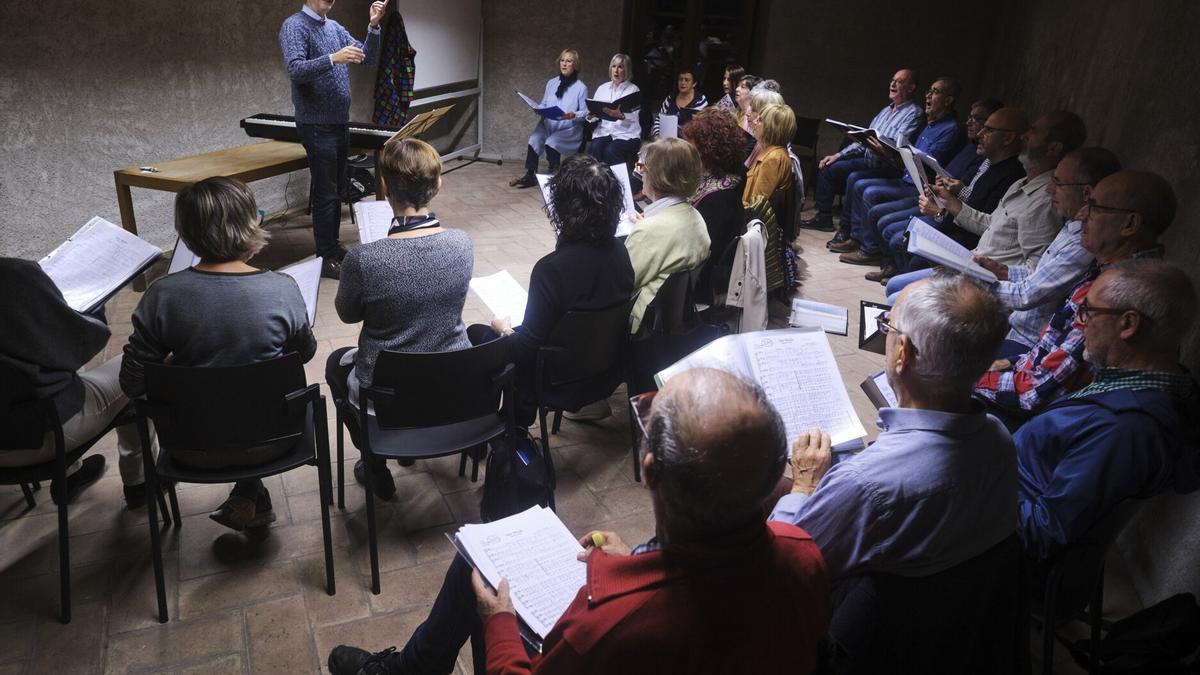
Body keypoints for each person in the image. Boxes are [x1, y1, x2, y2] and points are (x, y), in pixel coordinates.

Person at [327, 368, 832, 675]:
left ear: (650, 473)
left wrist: (501, 624)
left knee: (477, 573)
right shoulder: (803, 555)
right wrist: (636, 558)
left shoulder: (610, 628)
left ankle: (412, 670)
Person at [770, 274, 1016, 579]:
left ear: (903, 353)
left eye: (888, 325)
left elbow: (783, 569)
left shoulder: (864, 485)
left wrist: (804, 486)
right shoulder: (999, 437)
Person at [121, 177, 317, 531]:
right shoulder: (282, 289)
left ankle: (248, 499)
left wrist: (174, 370)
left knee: (224, 403)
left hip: (190, 447)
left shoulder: (161, 296)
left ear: (183, 230)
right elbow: (304, 354)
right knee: (248, 400)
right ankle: (250, 495)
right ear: (250, 224)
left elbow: (132, 382)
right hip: (275, 441)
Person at [1015, 260, 1200, 558]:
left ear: (1128, 324)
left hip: (1001, 528)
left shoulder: (1124, 431)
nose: (1080, 321)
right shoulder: (1146, 385)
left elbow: (1042, 533)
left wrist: (980, 483)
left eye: (1088, 311)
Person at [326, 138, 473, 499]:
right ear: (437, 185)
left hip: (387, 396)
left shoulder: (364, 259)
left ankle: (374, 462)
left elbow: (347, 314)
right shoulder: (463, 243)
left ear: (385, 188)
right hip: (452, 382)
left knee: (334, 365)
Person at [975, 170, 1176, 418]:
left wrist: (967, 378)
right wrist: (1007, 364)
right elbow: (1047, 350)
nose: (1081, 215)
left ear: (1130, 224)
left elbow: (1033, 395)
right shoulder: (1103, 267)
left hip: (1036, 412)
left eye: (1093, 207)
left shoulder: (1117, 291)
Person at [476, 155, 635, 426]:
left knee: (479, 335)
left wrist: (503, 329)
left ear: (562, 207)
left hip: (555, 381)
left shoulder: (551, 270)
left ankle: (498, 428)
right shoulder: (622, 252)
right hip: (603, 373)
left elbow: (526, 348)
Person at [884, 108, 1081, 301]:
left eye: (1034, 131)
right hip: (971, 264)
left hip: (987, 284)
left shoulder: (1045, 200)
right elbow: (990, 223)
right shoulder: (1021, 183)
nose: (1025, 136)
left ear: (1053, 148)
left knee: (897, 297)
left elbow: (1035, 271)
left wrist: (996, 271)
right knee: (895, 284)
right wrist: (951, 203)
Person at [0, 261, 146, 506]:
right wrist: (95, 306)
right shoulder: (12, 275)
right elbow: (81, 343)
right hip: (42, 433)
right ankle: (141, 482)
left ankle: (71, 474)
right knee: (138, 362)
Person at [977, 147, 1121, 357]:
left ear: (1087, 193)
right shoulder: (1072, 225)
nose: (1049, 190)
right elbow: (1041, 276)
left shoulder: (1084, 242)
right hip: (1013, 326)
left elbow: (1027, 295)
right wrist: (1004, 271)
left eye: (1058, 183)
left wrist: (975, 278)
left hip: (1027, 343)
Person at [280, 0, 387, 279]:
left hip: (339, 123)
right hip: (316, 125)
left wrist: (373, 26)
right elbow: (295, 70)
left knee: (337, 190)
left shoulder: (334, 27)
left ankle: (333, 247)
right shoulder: (294, 26)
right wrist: (332, 59)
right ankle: (324, 256)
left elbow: (367, 57)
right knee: (326, 195)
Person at [833, 77, 966, 269]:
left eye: (935, 92)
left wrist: (892, 153)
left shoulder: (951, 128)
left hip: (920, 188)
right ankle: (861, 242)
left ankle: (871, 251)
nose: (928, 95)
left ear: (948, 100)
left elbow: (926, 165)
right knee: (858, 182)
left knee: (869, 192)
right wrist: (891, 153)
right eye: (928, 91)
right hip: (905, 177)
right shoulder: (930, 124)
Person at [870, 97, 1003, 282]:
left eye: (985, 127)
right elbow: (967, 194)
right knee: (882, 217)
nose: (976, 130)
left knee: (896, 235)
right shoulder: (977, 152)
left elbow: (980, 219)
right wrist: (946, 186)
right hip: (943, 205)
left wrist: (942, 210)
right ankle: (894, 271)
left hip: (953, 220)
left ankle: (901, 277)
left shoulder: (996, 166)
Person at [799, 69, 922, 234]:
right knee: (830, 167)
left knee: (854, 177)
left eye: (899, 81)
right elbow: (866, 139)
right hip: (870, 160)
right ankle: (823, 217)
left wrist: (880, 147)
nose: (893, 84)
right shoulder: (885, 111)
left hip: (889, 166)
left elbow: (895, 145)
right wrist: (837, 155)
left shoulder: (914, 113)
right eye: (892, 80)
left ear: (911, 87)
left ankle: (847, 229)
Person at [625, 138, 711, 334]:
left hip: (640, 323)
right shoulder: (697, 217)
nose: (640, 171)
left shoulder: (649, 231)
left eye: (642, 166)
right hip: (671, 320)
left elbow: (620, 285)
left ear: (657, 176)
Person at [681, 108, 749, 300]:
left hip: (699, 285)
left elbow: (696, 253)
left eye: (692, 149)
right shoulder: (727, 180)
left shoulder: (717, 199)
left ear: (709, 152)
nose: (688, 154)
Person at [509, 49, 589, 189]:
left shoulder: (581, 88)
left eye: (569, 61)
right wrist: (538, 108)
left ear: (575, 65)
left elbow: (585, 113)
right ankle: (530, 174)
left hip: (568, 128)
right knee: (534, 139)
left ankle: (555, 175)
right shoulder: (551, 83)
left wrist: (574, 114)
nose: (564, 64)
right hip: (548, 123)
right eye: (562, 60)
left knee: (552, 142)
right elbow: (545, 104)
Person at [587, 53, 642, 168]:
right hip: (604, 131)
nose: (616, 70)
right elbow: (596, 113)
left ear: (626, 70)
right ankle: (595, 182)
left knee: (611, 151)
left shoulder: (633, 89)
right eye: (614, 66)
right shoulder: (602, 88)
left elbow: (635, 117)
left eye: (620, 67)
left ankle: (618, 182)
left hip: (625, 134)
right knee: (595, 148)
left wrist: (621, 115)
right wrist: (591, 116)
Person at [742, 103, 797, 204]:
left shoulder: (773, 158)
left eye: (760, 120)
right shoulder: (771, 152)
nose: (754, 122)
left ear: (772, 127)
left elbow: (756, 204)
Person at [650, 66, 708, 138]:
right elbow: (659, 121)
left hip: (688, 143)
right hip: (666, 141)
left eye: (687, 80)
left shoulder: (700, 100)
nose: (683, 82)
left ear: (694, 83)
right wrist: (658, 137)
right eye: (680, 79)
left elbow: (701, 127)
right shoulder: (670, 98)